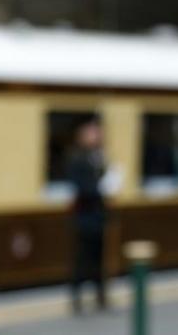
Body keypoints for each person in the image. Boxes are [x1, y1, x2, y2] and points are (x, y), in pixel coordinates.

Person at [67, 117, 108, 314]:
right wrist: (99, 188)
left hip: (98, 216)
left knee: (98, 258)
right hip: (84, 217)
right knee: (82, 259)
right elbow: (81, 187)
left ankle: (101, 294)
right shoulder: (76, 158)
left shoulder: (98, 156)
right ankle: (76, 297)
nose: (97, 135)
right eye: (93, 132)